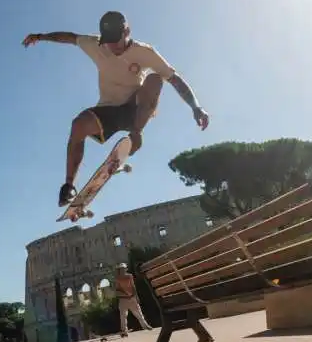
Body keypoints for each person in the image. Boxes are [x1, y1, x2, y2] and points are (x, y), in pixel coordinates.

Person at [22, 11, 209, 207]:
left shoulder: (145, 52)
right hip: (108, 111)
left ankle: (136, 133)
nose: (111, 47)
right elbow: (70, 37)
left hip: (135, 109)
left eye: (115, 41)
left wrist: (196, 107)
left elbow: (174, 79)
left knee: (155, 79)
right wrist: (41, 37)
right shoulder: (96, 44)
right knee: (78, 125)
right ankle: (69, 186)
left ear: (127, 31)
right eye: (108, 41)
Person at [114, 263, 151, 337]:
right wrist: (124, 294)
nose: (123, 270)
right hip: (123, 299)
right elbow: (117, 289)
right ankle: (124, 331)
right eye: (121, 269)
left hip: (131, 297)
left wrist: (136, 296)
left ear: (126, 269)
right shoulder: (117, 278)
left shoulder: (129, 276)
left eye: (124, 268)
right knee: (123, 316)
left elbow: (133, 286)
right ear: (119, 270)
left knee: (138, 313)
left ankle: (145, 326)